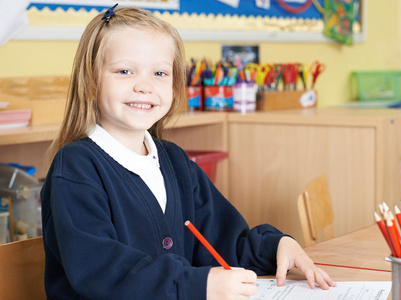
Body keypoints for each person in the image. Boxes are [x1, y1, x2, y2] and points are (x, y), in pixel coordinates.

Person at [41, 5, 336, 300]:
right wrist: (197, 285)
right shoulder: (76, 167)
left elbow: (223, 242)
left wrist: (277, 246)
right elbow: (101, 269)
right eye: (124, 71)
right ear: (91, 81)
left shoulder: (175, 161)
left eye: (159, 72)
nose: (144, 86)